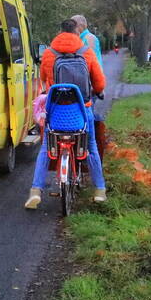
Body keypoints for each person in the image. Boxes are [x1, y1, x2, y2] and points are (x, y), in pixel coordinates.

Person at [25, 19, 107, 209]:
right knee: (91, 146)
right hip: (81, 110)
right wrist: (97, 91)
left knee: (45, 147)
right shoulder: (86, 52)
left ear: (59, 31)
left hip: (55, 111)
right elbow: (99, 83)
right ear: (77, 32)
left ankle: (35, 191)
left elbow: (45, 82)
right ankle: (100, 190)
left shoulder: (48, 53)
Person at [71, 14, 108, 157]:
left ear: (80, 26)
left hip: (89, 87)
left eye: (74, 26)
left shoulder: (88, 39)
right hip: (85, 85)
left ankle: (87, 151)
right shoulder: (84, 39)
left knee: (86, 118)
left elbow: (93, 64)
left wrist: (95, 86)